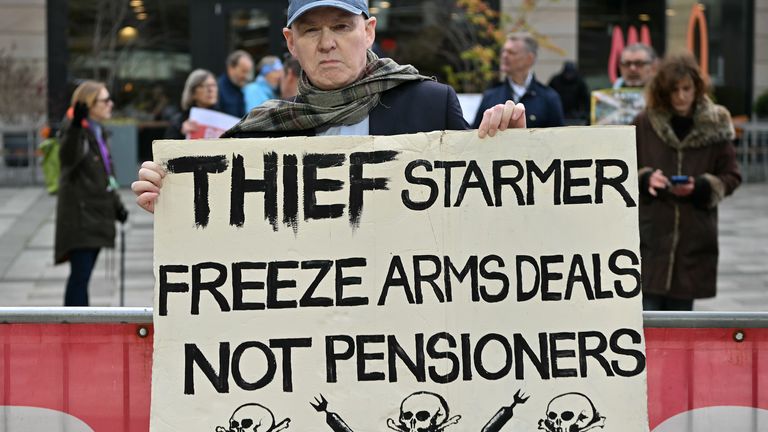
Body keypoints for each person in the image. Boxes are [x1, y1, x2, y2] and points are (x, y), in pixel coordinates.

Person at [132, 0, 526, 212]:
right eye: (310, 30)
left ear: (368, 31)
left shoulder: (430, 104)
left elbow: (482, 216)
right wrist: (175, 202)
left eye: (341, 26)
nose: (326, 43)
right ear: (290, 42)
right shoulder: (266, 130)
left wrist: (511, 159)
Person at [634, 53, 741, 311]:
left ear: (697, 88)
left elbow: (732, 175)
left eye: (687, 89)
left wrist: (703, 186)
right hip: (652, 236)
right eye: (675, 90)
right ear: (664, 91)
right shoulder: (645, 123)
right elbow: (622, 167)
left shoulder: (714, 124)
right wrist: (646, 177)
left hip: (693, 238)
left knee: (682, 326)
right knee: (648, 324)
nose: (681, 96)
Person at [56, 80, 128, 306]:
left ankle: (77, 324)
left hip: (96, 215)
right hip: (81, 217)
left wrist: (117, 206)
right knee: (80, 277)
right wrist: (76, 126)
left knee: (82, 277)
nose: (111, 104)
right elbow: (67, 158)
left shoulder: (97, 131)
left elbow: (105, 175)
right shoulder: (75, 129)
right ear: (89, 104)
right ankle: (74, 327)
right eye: (105, 100)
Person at [473, 32, 563, 129]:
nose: (504, 56)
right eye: (503, 51)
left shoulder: (549, 98)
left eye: (511, 52)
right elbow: (476, 134)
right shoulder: (490, 96)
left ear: (529, 58)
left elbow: (557, 139)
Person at [165, 69, 219, 139]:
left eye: (213, 85)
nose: (210, 90)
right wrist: (182, 134)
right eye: (204, 86)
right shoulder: (179, 121)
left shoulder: (224, 117)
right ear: (192, 93)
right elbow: (166, 148)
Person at [216, 50, 253, 118]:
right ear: (231, 68)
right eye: (243, 71)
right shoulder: (217, 89)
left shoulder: (240, 88)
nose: (246, 76)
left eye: (248, 72)